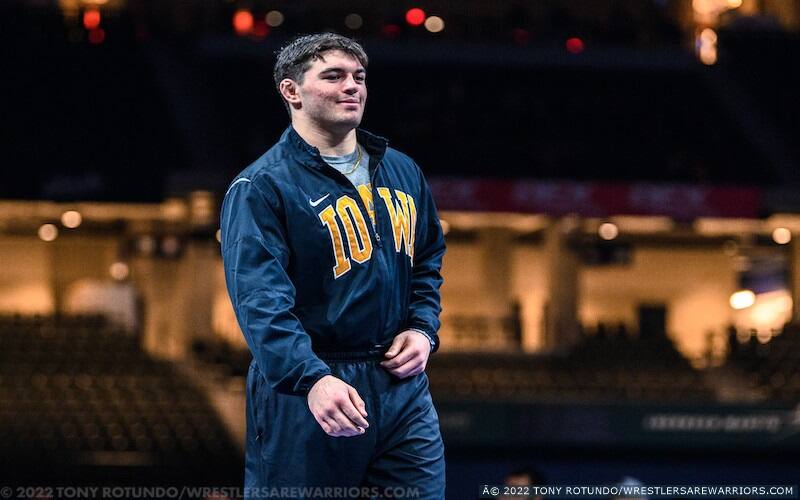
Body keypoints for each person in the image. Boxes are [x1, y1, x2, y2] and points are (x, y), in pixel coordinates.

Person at [220, 33, 447, 499]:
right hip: (310, 387)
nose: (353, 87)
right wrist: (311, 379)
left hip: (399, 385)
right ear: (292, 91)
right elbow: (260, 303)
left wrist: (424, 329)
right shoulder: (261, 186)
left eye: (359, 78)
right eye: (334, 76)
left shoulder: (402, 169)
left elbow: (427, 260)